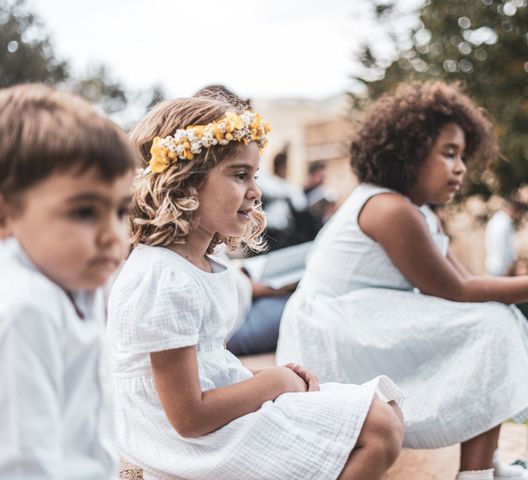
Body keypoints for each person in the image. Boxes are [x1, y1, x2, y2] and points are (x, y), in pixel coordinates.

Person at [276, 81, 528, 480]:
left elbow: (466, 282)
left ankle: (488, 463)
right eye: (449, 154)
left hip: (358, 321)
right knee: (492, 325)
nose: (461, 167)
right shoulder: (387, 207)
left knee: (490, 319)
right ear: (408, 153)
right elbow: (455, 290)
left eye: (463, 155)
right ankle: (477, 474)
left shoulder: (419, 212)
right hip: (331, 335)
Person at [107, 95, 404, 480]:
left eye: (255, 176)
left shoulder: (199, 266)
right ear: (185, 182)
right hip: (184, 444)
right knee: (377, 426)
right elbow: (188, 418)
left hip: (209, 427)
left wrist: (267, 381)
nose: (255, 191)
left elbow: (209, 368)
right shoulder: (163, 278)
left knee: (384, 410)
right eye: (239, 175)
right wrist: (275, 382)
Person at [0, 84, 136, 479]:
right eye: (83, 212)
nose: (114, 235)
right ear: (6, 215)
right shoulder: (24, 310)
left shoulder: (72, 279)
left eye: (121, 210)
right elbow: (23, 465)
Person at [484, 198, 524, 276]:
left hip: (492, 264)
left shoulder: (495, 220)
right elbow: (505, 247)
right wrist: (511, 263)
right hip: (502, 266)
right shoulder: (505, 223)